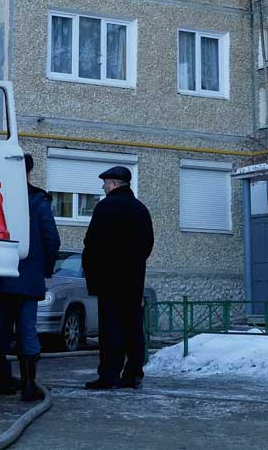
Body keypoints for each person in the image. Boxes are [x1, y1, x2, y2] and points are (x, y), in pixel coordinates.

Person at [0, 153, 60, 402]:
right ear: (28, 172)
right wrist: (44, 270)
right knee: (27, 332)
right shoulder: (37, 200)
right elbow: (51, 240)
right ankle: (29, 386)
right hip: (27, 279)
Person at [82, 165, 153, 391]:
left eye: (105, 182)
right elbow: (147, 244)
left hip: (109, 279)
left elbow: (92, 243)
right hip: (133, 280)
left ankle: (109, 375)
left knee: (110, 328)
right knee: (133, 325)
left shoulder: (105, 207)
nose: (103, 186)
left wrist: (92, 272)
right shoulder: (141, 209)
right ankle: (133, 374)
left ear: (114, 184)